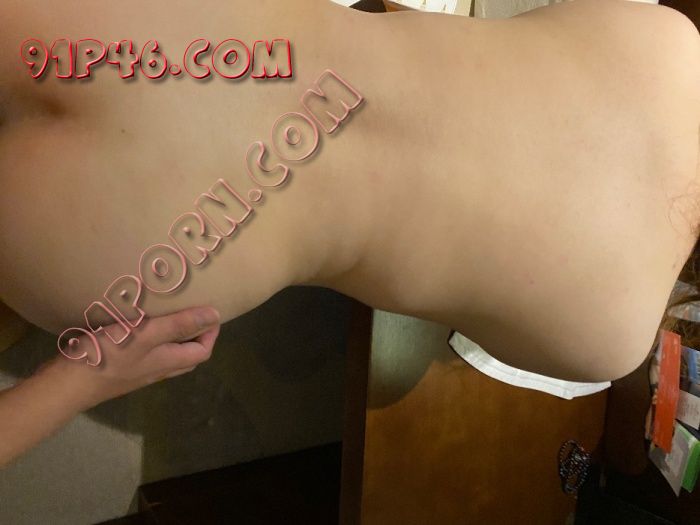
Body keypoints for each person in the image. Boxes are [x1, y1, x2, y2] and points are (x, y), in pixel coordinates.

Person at [0, 0, 698, 462]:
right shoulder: (611, 338)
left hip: (176, 37)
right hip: (156, 238)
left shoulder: (673, 43)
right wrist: (80, 385)